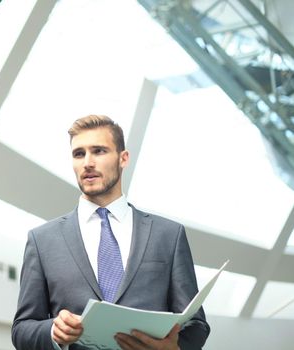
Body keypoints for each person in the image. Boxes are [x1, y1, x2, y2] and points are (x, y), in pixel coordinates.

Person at [12, 115, 209, 350]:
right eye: (79, 154)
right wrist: (53, 330)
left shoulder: (168, 235)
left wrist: (175, 349)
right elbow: (22, 329)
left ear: (123, 158)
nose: (87, 162)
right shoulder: (42, 240)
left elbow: (197, 323)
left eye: (99, 151)